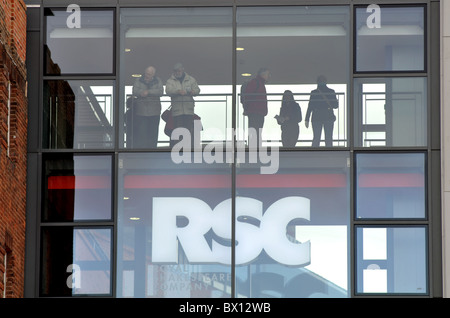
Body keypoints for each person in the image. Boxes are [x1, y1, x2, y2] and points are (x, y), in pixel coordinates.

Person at [165, 63, 200, 147]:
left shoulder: (191, 79)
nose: (178, 72)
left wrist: (193, 92)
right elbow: (168, 91)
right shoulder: (170, 81)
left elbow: (197, 90)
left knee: (188, 131)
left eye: (179, 70)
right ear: (174, 71)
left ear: (183, 70)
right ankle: (178, 150)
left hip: (188, 110)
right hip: (177, 111)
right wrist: (178, 92)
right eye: (176, 71)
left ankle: (188, 149)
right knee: (178, 131)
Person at [131, 66, 164, 148]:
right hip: (141, 111)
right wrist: (141, 93)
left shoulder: (158, 80)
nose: (147, 75)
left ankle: (152, 150)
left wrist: (148, 92)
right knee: (141, 133)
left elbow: (160, 92)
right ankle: (142, 151)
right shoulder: (138, 80)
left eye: (149, 74)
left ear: (153, 74)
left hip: (155, 111)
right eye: (146, 73)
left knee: (153, 133)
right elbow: (134, 91)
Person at [305, 75, 338, 147]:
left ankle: (314, 154)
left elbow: (310, 106)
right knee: (328, 138)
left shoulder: (314, 92)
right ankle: (329, 154)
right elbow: (336, 105)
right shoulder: (331, 92)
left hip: (317, 116)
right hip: (328, 115)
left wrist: (307, 118)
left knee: (316, 138)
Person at [242, 68, 270, 149]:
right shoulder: (256, 82)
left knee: (256, 131)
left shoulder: (258, 83)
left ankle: (255, 148)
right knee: (255, 131)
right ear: (263, 74)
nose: (269, 76)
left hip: (257, 112)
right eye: (268, 74)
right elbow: (249, 96)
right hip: (255, 112)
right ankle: (254, 149)